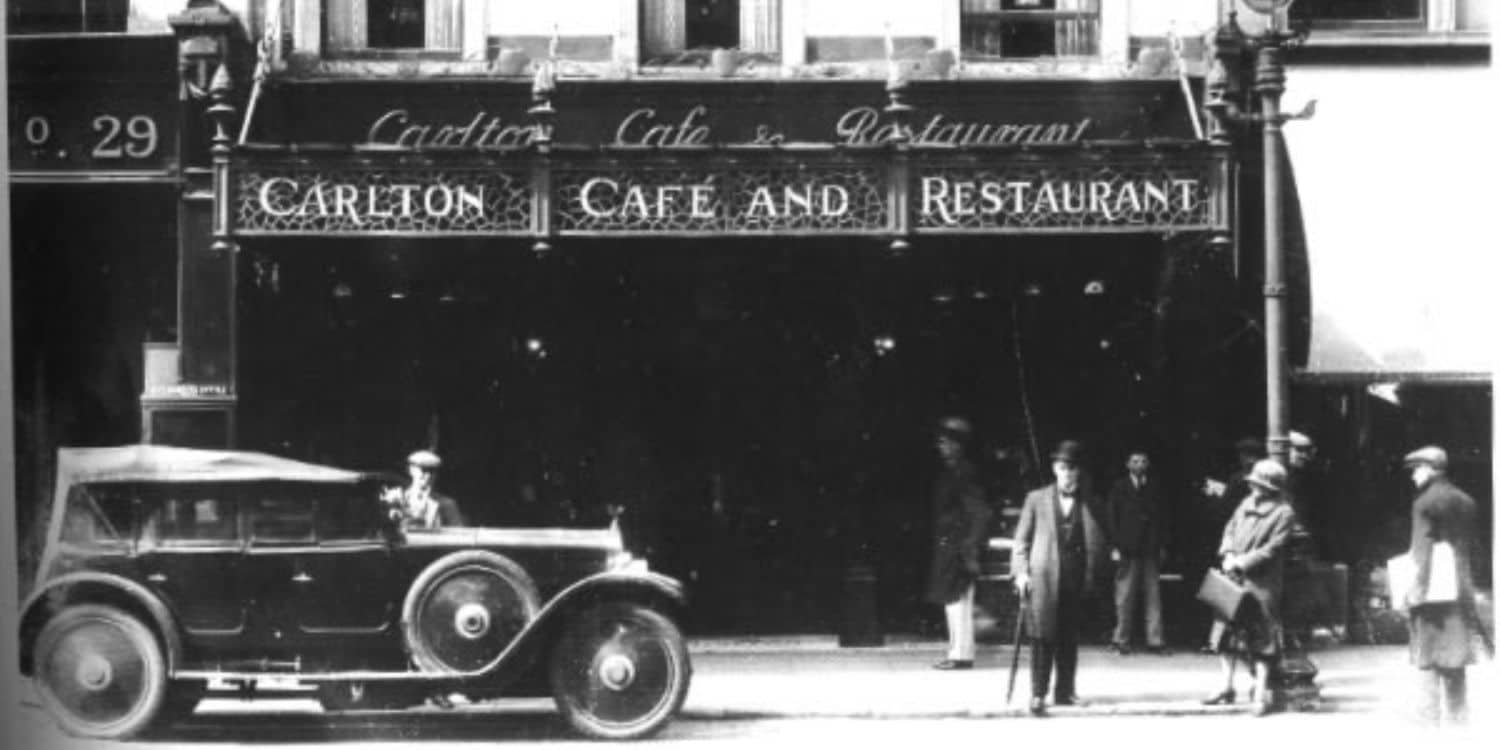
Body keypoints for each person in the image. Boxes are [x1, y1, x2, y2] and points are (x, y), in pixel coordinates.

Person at [1012, 440, 1105, 715]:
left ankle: (1065, 692)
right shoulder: (1036, 499)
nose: (1067, 473)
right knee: (1042, 638)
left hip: (1075, 581)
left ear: (1079, 472)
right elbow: (1020, 542)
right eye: (1063, 467)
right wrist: (1020, 573)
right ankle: (1038, 694)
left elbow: (1099, 539)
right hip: (1042, 581)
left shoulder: (1090, 501)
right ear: (1055, 469)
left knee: (1069, 637)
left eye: (1072, 468)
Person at [1400, 445, 1491, 727]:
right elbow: (1475, 549)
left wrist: (1413, 593)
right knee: (1455, 651)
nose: (1413, 476)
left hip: (1431, 591)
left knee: (1427, 652)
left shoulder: (1424, 503)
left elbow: (1422, 551)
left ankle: (1428, 718)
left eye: (1416, 470)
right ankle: (1459, 717)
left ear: (1429, 468)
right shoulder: (1466, 500)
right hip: (1460, 587)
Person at [1202, 459, 1296, 717]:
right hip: (1233, 575)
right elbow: (1229, 529)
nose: (1254, 487)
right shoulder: (1245, 504)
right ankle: (1226, 686)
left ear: (1272, 487)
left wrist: (1242, 562)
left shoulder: (1284, 513)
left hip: (1261, 581)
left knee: (1262, 636)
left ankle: (1260, 692)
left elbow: (1273, 548)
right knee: (1224, 633)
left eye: (1259, 484)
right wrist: (1228, 553)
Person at [924, 417, 993, 670]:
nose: (941, 447)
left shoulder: (963, 473)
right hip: (951, 546)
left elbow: (978, 512)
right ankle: (958, 652)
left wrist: (970, 546)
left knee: (958, 602)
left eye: (945, 442)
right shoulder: (954, 472)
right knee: (954, 601)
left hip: (958, 548)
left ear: (956, 445)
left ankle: (961, 655)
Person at [1106, 449, 1169, 655]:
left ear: (1148, 464)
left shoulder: (1155, 487)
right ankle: (1120, 639)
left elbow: (1162, 518)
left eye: (1143, 461)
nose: (1139, 465)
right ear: (1128, 464)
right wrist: (1115, 545)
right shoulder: (1119, 487)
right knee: (1124, 596)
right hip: (1127, 549)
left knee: (1153, 596)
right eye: (1135, 461)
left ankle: (1155, 641)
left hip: (1150, 549)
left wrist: (1161, 546)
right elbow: (1111, 518)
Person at [384, 449, 465, 529]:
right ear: (411, 470)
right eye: (423, 470)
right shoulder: (396, 499)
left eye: (432, 472)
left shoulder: (446, 505)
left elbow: (458, 535)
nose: (428, 476)